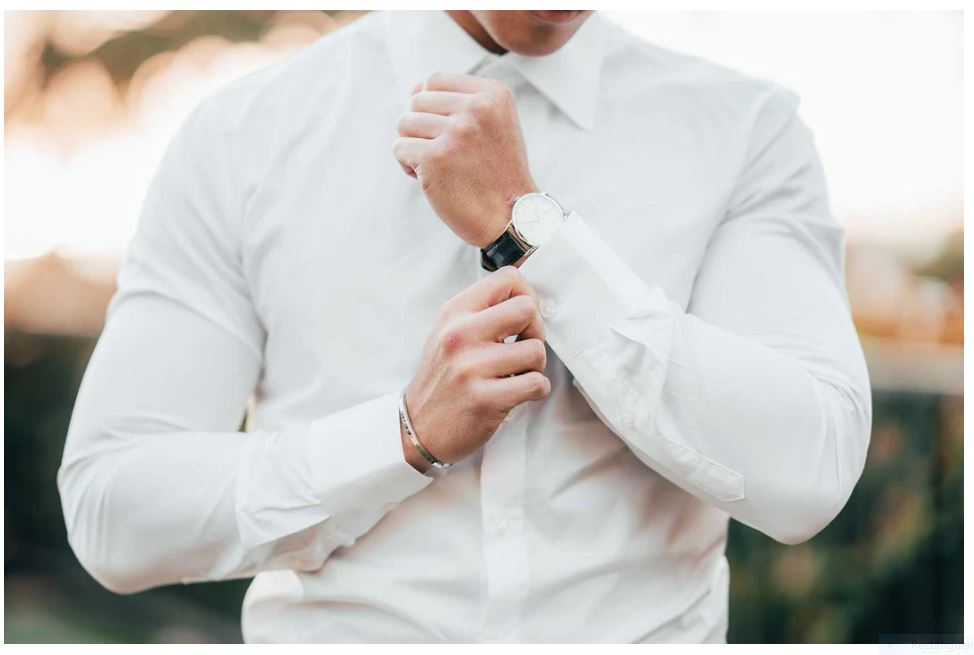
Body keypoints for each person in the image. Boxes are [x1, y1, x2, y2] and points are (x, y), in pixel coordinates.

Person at [57, 10, 872, 643]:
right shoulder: (245, 136)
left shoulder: (743, 130)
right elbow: (114, 506)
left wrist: (536, 236)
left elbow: (808, 470)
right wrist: (401, 437)